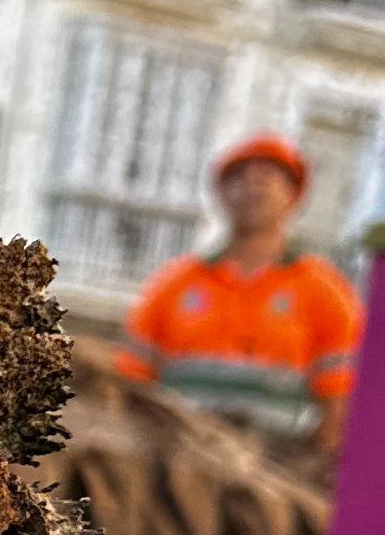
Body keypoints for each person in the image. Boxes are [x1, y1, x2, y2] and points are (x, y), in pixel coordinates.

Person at [113, 132, 362, 452]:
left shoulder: (325, 291)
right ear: (222, 195)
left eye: (268, 178)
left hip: (276, 468)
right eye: (240, 178)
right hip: (176, 457)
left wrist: (313, 469)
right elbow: (128, 384)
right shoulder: (173, 286)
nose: (253, 187)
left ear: (292, 196)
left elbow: (341, 402)